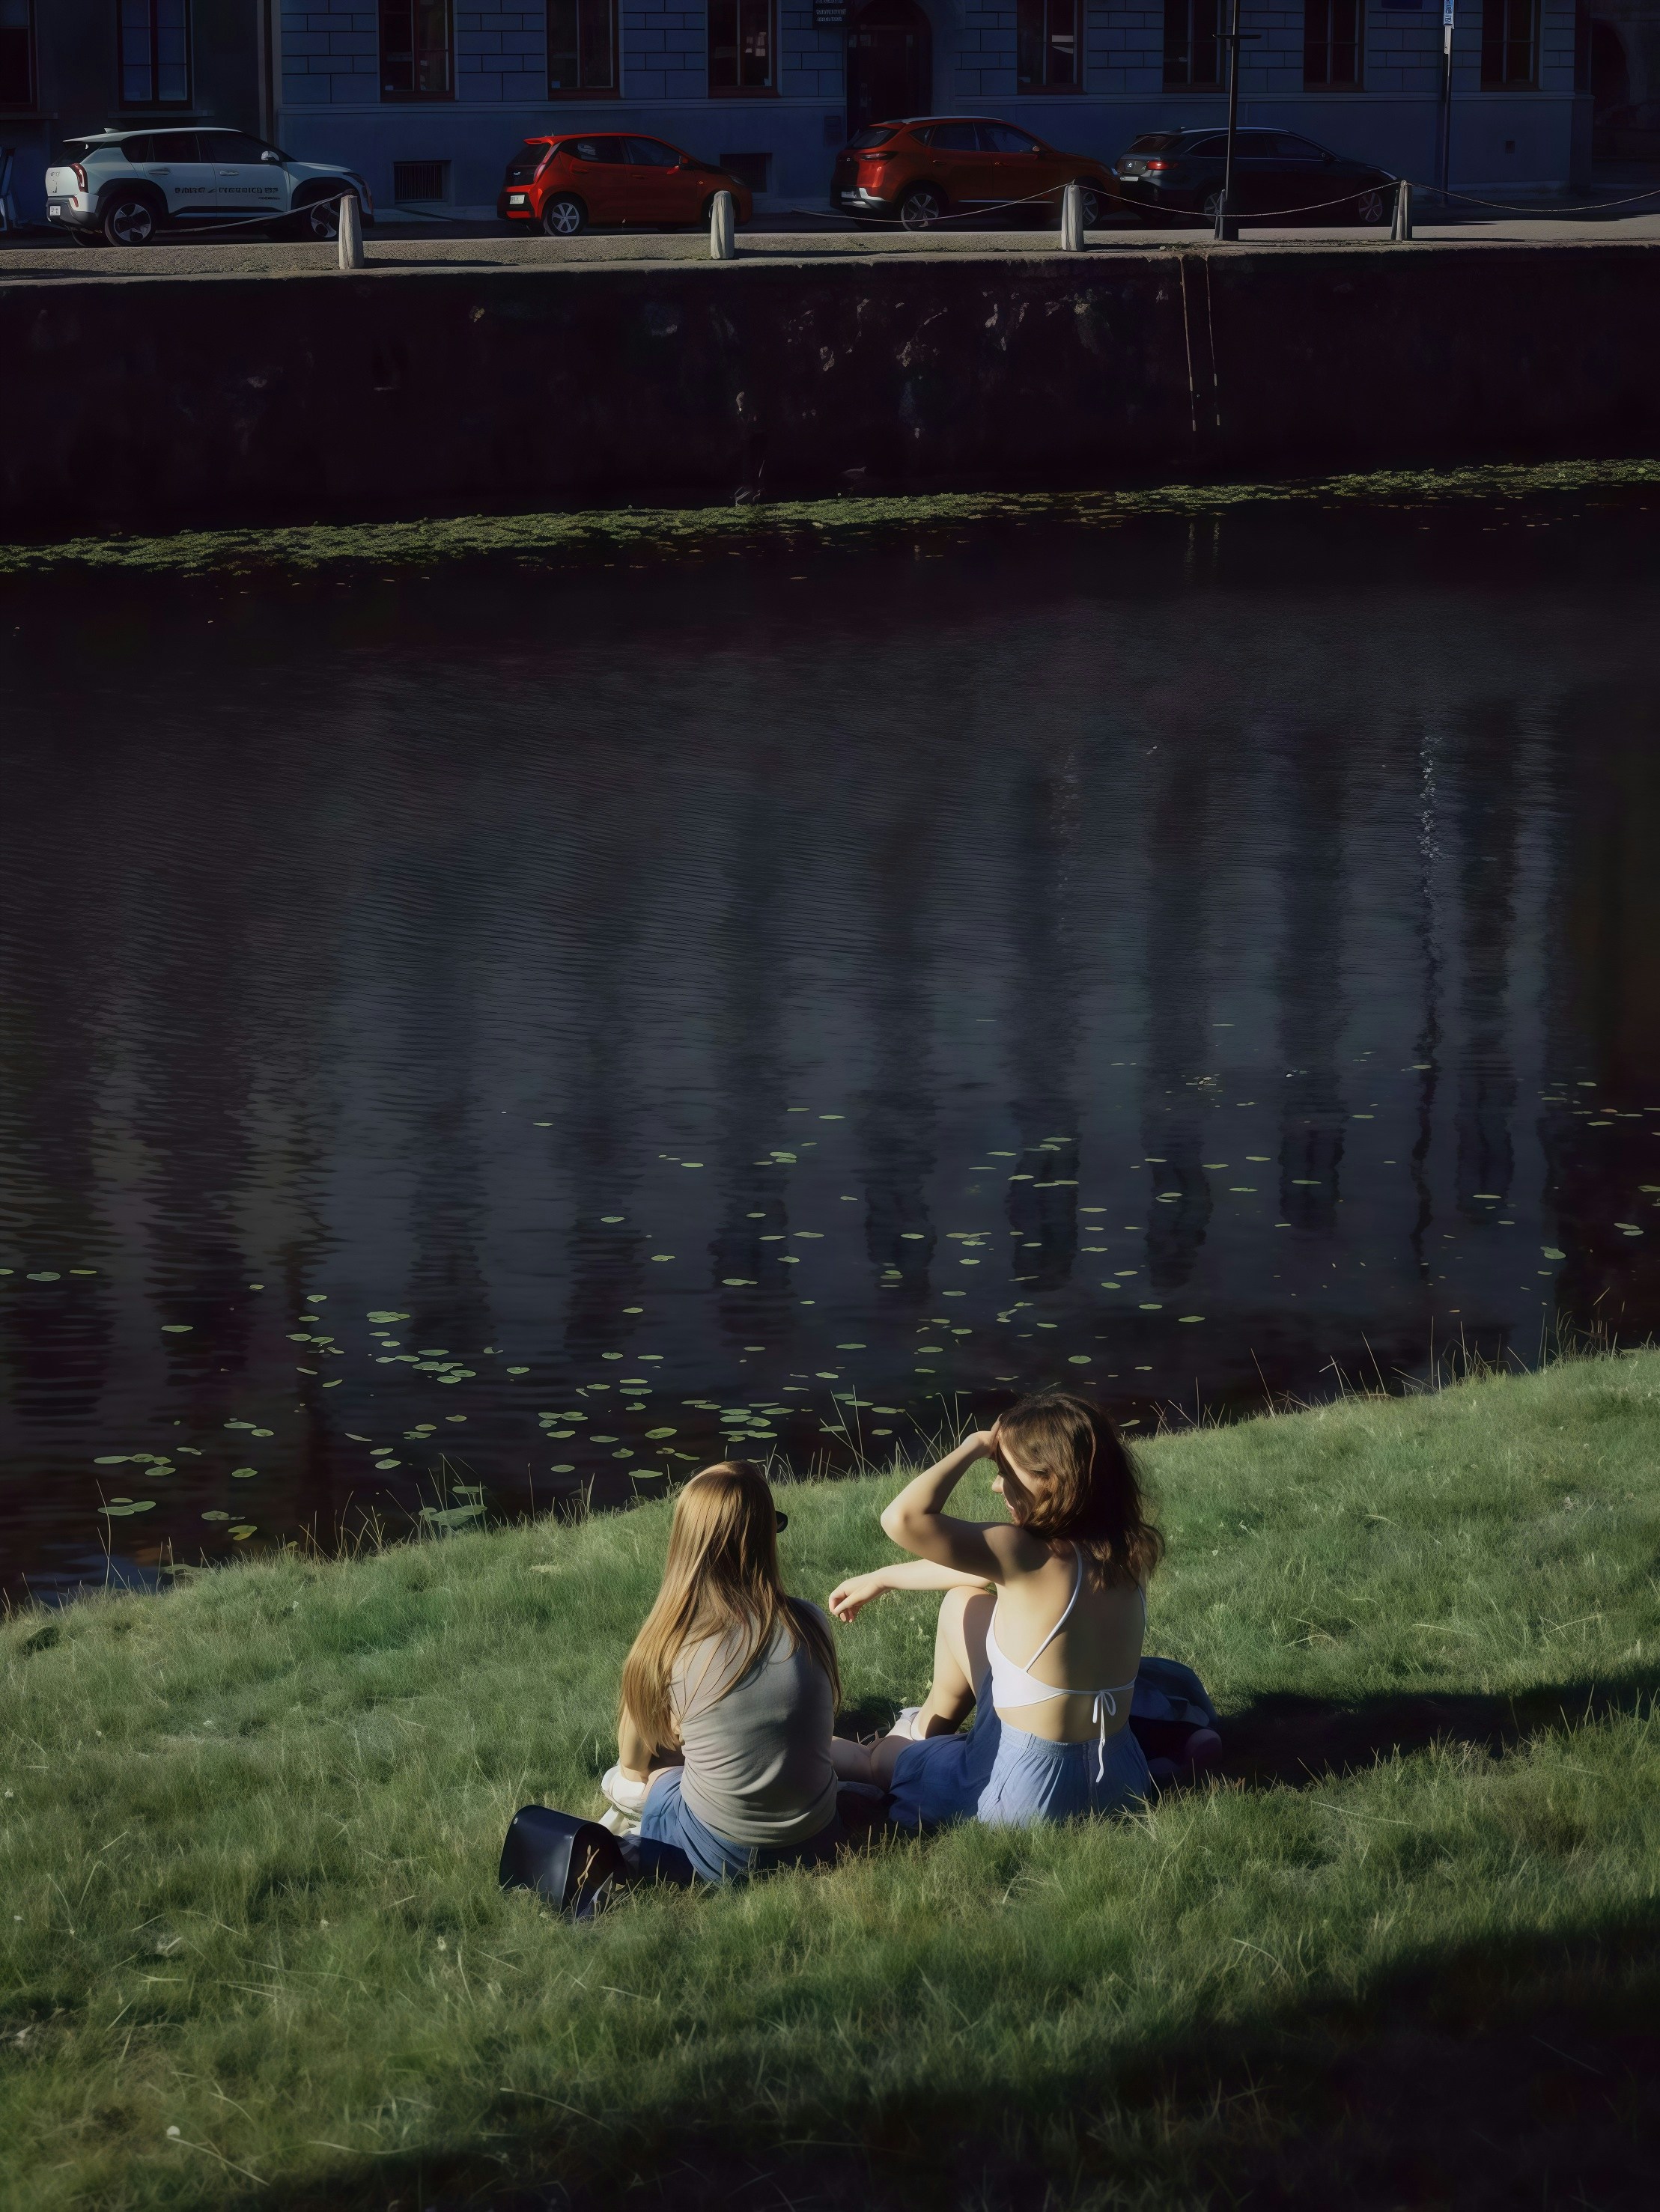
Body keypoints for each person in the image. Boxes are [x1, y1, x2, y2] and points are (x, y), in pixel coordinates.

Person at [829, 1392, 1160, 1827]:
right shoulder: (1130, 1549)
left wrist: (974, 1445)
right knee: (964, 1601)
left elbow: (903, 1519)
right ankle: (921, 1732)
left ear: (1051, 1479)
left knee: (885, 1759)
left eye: (1005, 1471)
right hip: (1119, 1776)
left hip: (1028, 1793)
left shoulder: (1022, 1552)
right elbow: (977, 1577)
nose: (996, 1485)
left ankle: (868, 1751)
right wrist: (883, 1577)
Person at [607, 1458, 847, 1884]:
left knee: (650, 1775)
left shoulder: (667, 1646)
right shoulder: (811, 1622)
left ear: (686, 1542)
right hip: (820, 1839)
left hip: (725, 1856)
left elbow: (633, 1763)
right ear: (766, 1537)